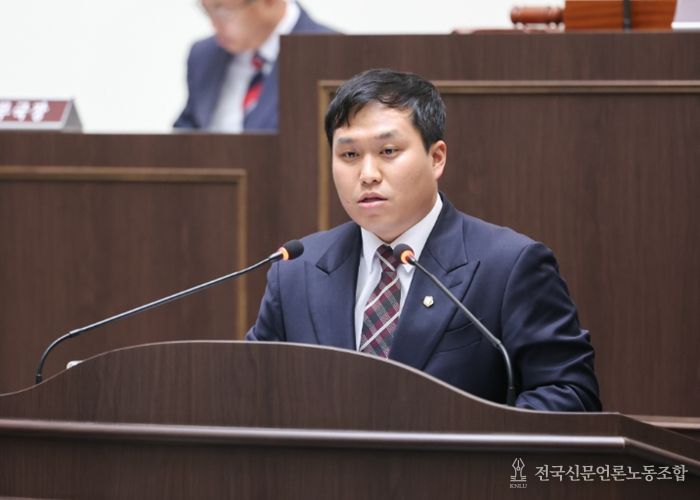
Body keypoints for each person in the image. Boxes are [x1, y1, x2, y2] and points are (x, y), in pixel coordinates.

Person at [246, 68, 601, 411]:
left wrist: (470, 439)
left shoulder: (509, 265)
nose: (368, 174)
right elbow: (249, 392)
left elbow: (570, 393)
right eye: (350, 155)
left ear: (436, 158)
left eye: (388, 151)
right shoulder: (296, 271)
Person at [174, 0, 334, 132]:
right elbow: (188, 127)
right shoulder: (203, 55)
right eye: (207, 10)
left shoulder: (330, 54)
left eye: (223, 13)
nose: (214, 24)